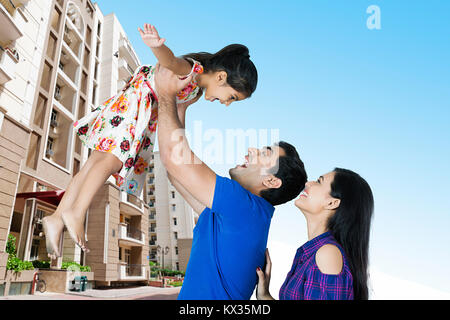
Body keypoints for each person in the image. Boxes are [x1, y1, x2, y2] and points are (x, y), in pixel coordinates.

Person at [42, 23, 258, 257]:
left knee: (93, 164)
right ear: (221, 76)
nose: (227, 103)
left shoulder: (194, 93)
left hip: (140, 114)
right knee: (113, 160)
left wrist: (181, 136)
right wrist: (157, 46)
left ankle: (56, 219)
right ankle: (76, 212)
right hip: (135, 105)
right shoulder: (193, 70)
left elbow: (178, 120)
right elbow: (170, 61)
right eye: (232, 97)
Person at [153, 64, 308, 300]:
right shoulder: (240, 214)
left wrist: (165, 93)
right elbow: (177, 175)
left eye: (265, 153)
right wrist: (180, 109)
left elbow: (175, 160)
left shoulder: (245, 207)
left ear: (271, 180)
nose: (252, 150)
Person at [256, 168, 374, 300]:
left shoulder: (327, 254)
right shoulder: (313, 252)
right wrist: (264, 295)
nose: (308, 183)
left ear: (332, 203)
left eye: (319, 181)